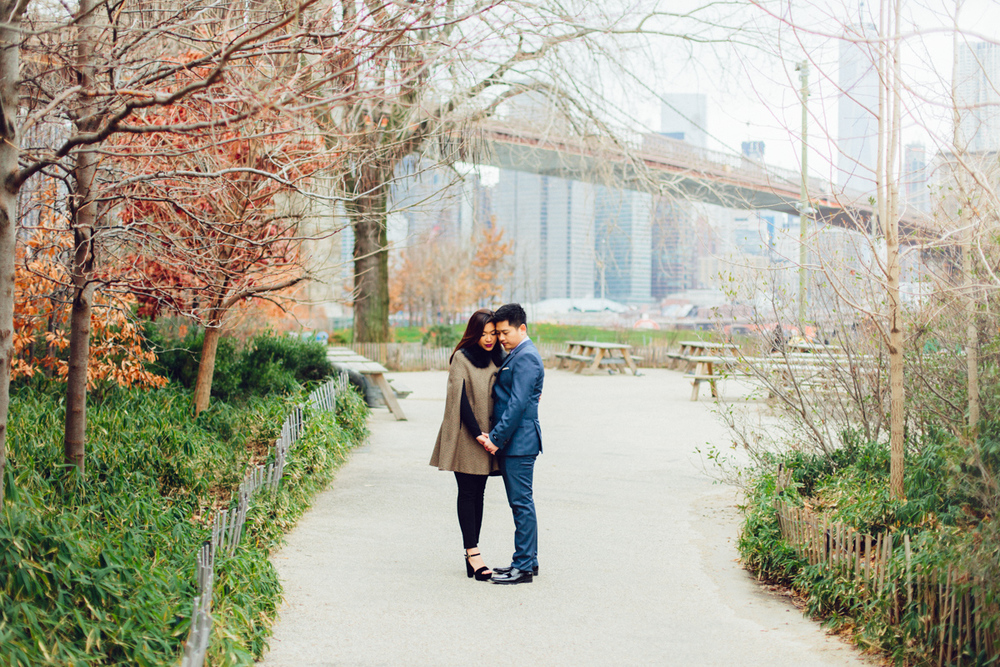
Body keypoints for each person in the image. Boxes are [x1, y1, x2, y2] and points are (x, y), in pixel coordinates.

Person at [429, 309, 503, 582]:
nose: (489, 339)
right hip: (466, 434)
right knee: (468, 492)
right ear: (474, 333)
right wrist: (478, 434)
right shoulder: (461, 358)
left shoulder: (499, 357)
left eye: (493, 334)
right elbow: (458, 400)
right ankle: (473, 553)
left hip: (491, 435)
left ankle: (473, 553)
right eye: (484, 334)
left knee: (480, 493)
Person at [477, 303, 544, 585]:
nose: (501, 338)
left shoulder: (526, 356)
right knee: (521, 503)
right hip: (517, 442)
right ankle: (528, 560)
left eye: (505, 332)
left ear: (522, 328)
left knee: (521, 503)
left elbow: (516, 405)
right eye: (499, 332)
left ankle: (524, 567)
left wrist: (495, 439)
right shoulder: (517, 354)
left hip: (519, 443)